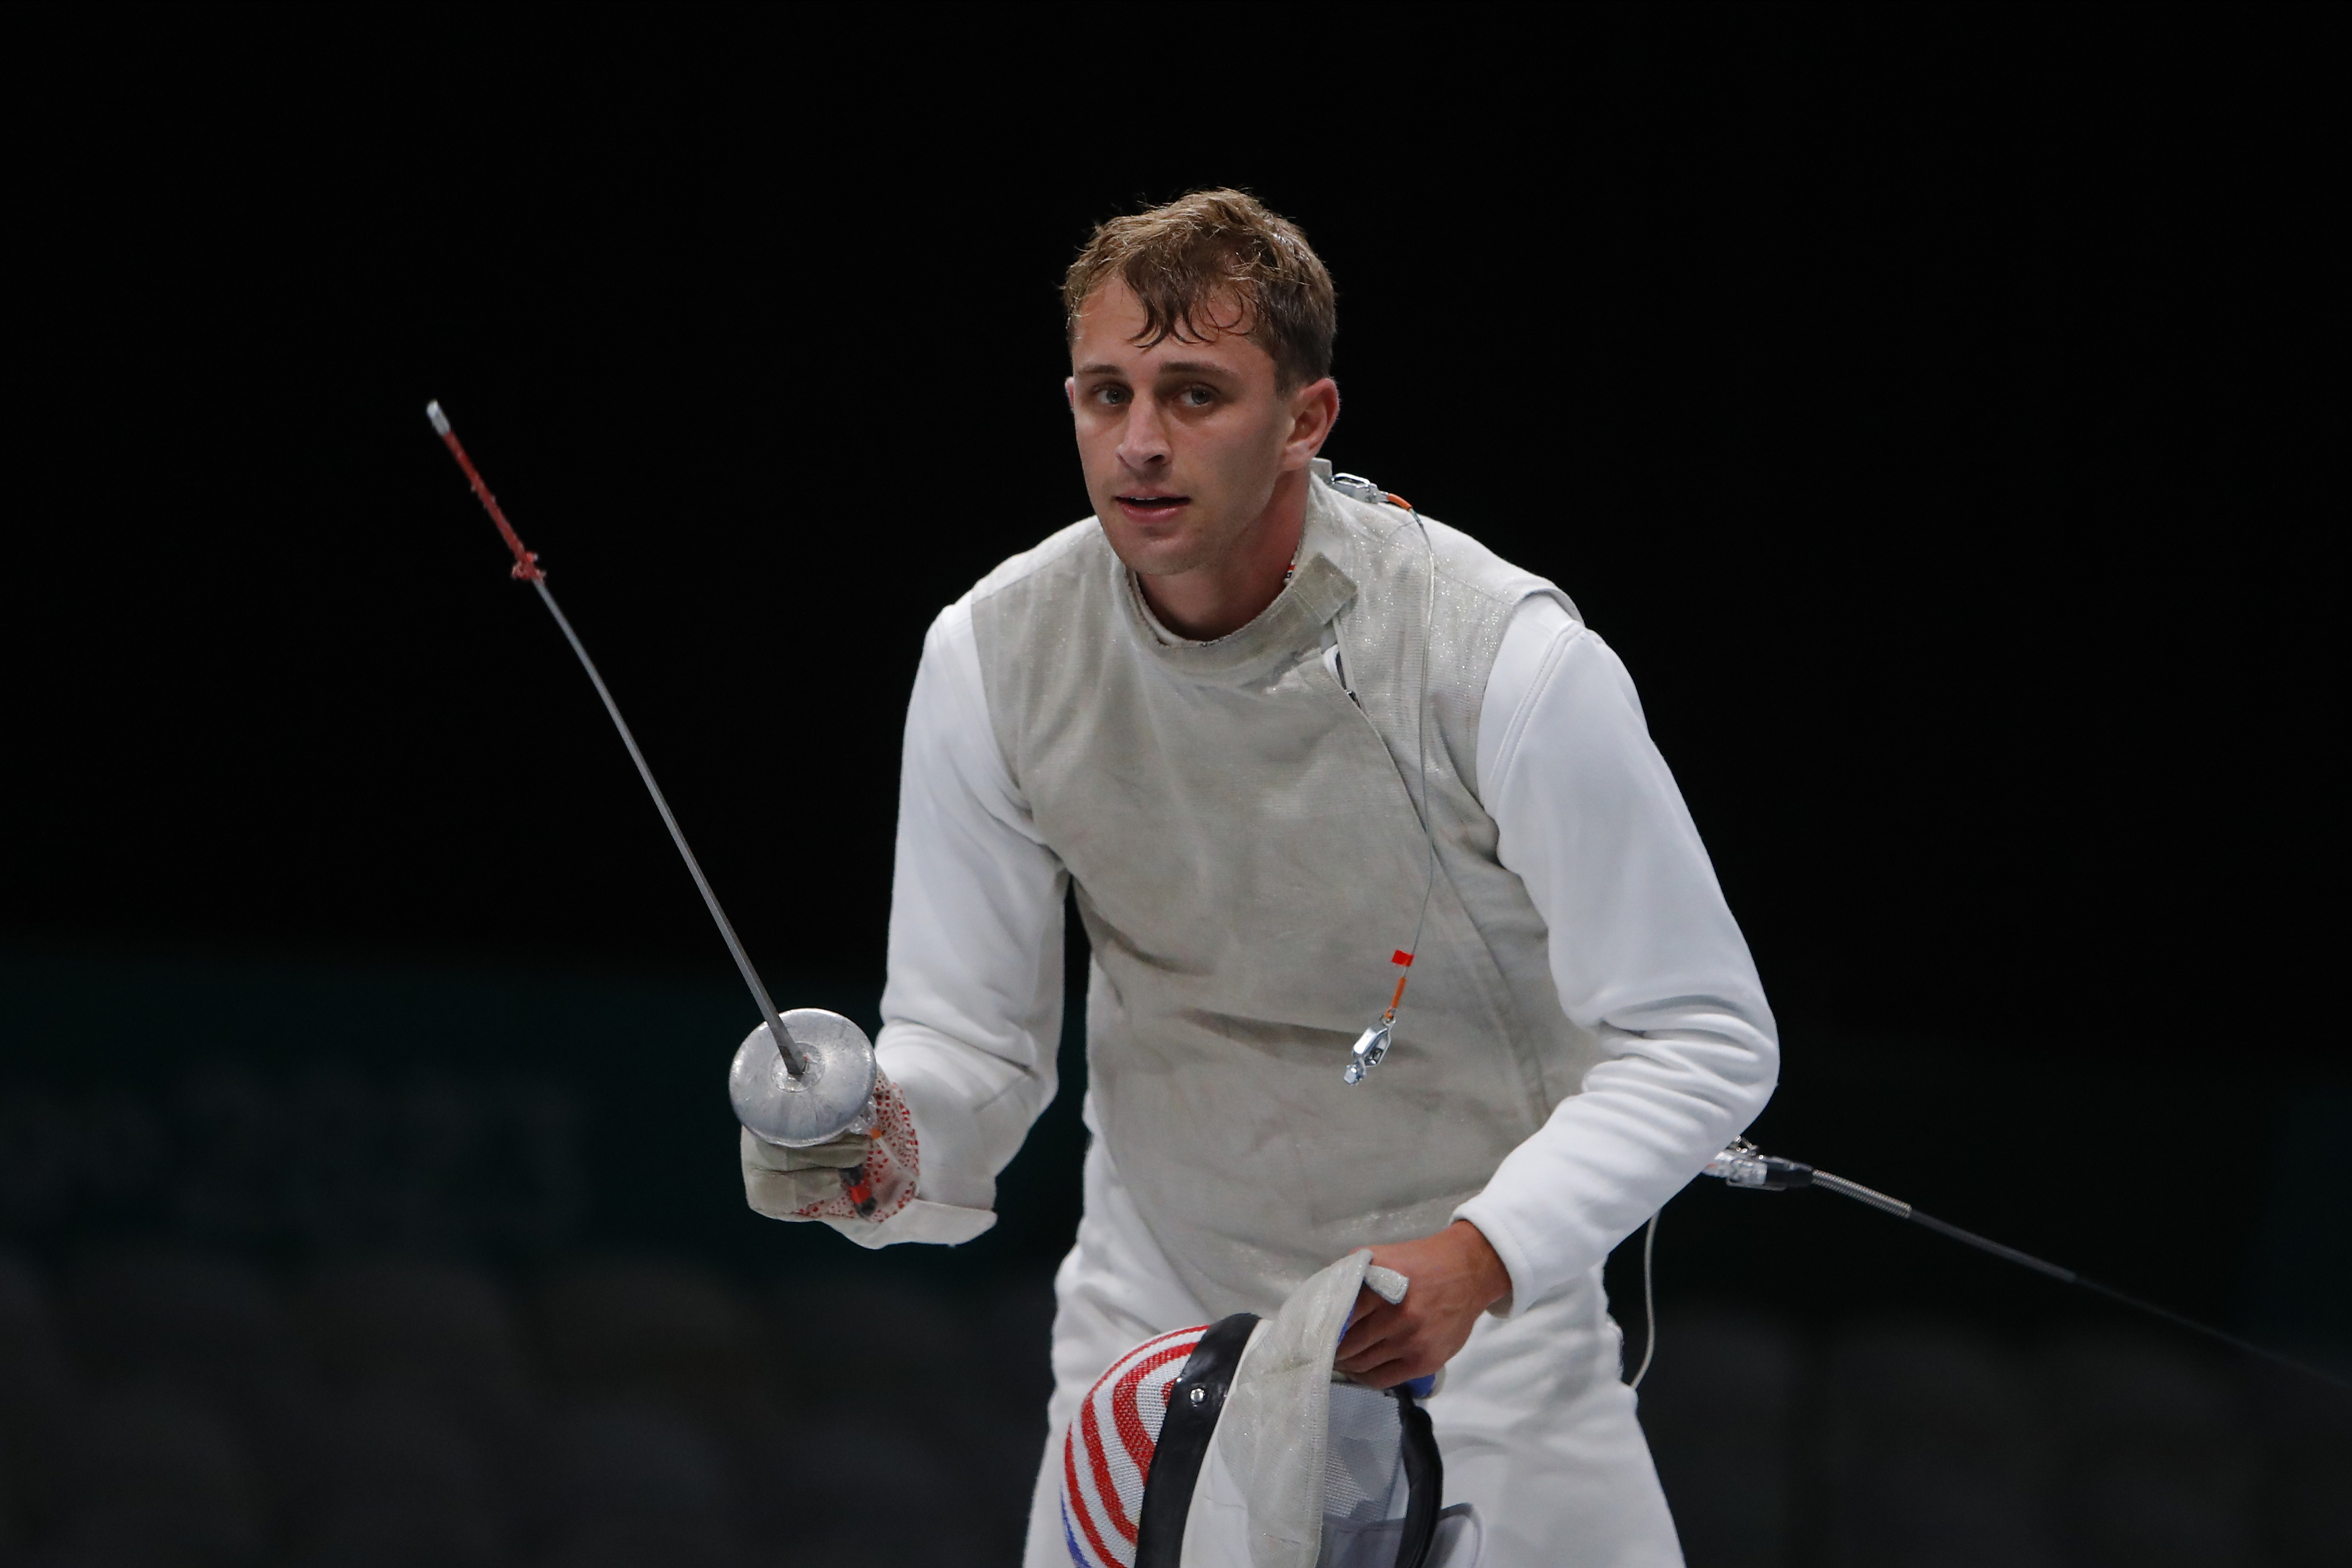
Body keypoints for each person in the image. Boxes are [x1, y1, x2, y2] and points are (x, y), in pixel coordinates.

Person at [740, 189, 1777, 1566]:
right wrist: (884, 1141)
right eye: (1106, 395)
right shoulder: (995, 654)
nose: (1141, 442)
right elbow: (970, 1041)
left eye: (1195, 394)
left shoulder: (1502, 660)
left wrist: (1485, 1253)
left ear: (1306, 418)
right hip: (1159, 1346)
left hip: (1479, 1349)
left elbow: (1700, 1033)